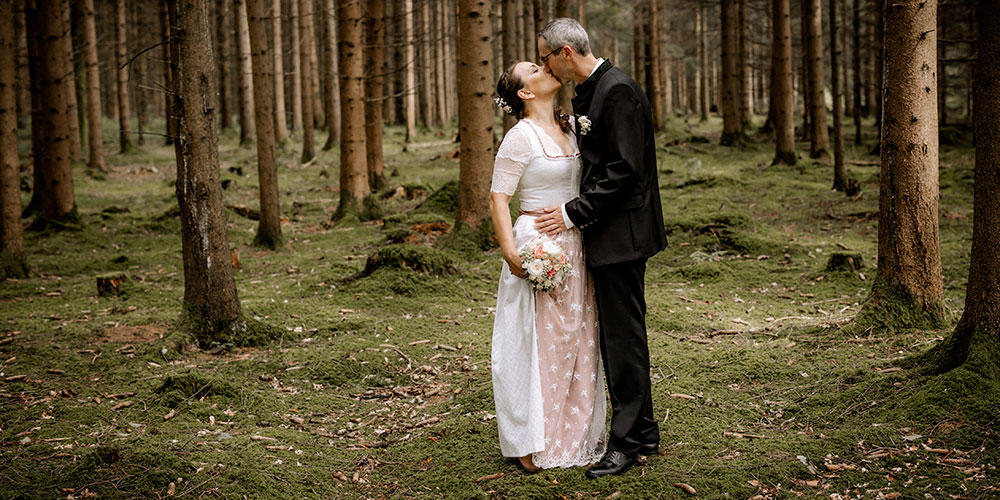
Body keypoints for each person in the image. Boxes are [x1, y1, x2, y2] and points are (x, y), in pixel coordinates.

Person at [532, 18, 668, 479]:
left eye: (546, 58)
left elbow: (625, 169)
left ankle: (626, 444)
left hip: (623, 234)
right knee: (621, 335)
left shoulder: (619, 90)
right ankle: (644, 432)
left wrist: (573, 212)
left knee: (622, 338)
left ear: (566, 53)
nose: (545, 67)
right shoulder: (591, 91)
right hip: (607, 233)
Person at [488, 60, 607, 471]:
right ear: (525, 92)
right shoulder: (520, 138)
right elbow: (498, 197)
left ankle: (570, 434)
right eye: (535, 69)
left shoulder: (573, 126)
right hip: (537, 244)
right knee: (538, 342)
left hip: (576, 243)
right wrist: (511, 253)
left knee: (577, 337)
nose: (546, 68)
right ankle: (530, 438)